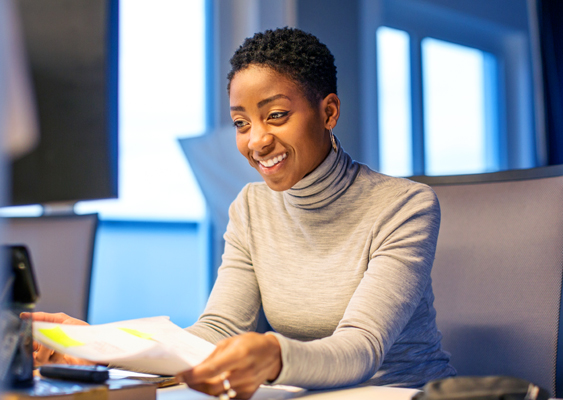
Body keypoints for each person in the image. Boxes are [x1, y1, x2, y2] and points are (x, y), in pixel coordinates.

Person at [27, 27, 456, 399]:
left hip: (398, 393)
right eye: (241, 123)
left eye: (276, 116)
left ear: (328, 112)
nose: (257, 141)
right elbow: (217, 330)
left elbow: (360, 348)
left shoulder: (404, 206)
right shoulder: (251, 207)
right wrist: (98, 346)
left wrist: (272, 355)